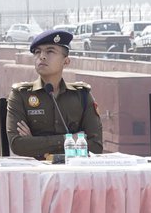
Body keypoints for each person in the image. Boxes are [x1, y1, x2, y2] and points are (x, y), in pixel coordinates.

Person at [6, 29, 103, 158]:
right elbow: (18, 145)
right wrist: (68, 140)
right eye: (37, 52)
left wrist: (35, 142)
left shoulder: (82, 95)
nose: (42, 56)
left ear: (66, 61)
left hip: (74, 172)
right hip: (37, 173)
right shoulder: (21, 95)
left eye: (50, 51)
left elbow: (96, 146)